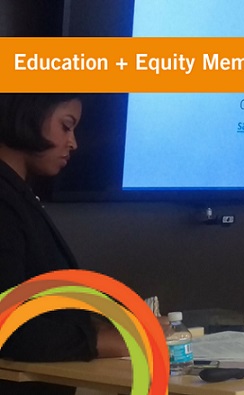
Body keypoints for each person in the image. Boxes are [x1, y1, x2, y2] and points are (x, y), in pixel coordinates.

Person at [0, 94, 128, 395]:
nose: (73, 143)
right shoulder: (4, 204)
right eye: (66, 127)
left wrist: (106, 325)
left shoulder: (18, 196)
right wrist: (107, 341)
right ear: (29, 116)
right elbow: (11, 324)